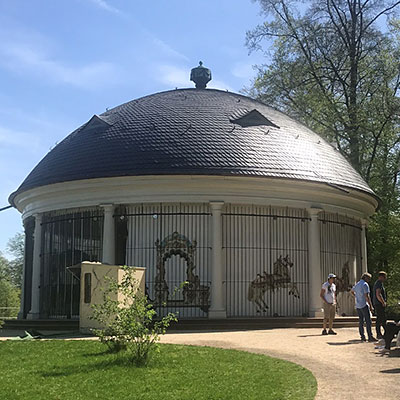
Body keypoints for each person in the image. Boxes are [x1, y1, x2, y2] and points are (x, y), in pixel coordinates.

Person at [351, 273, 377, 342]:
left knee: (361, 321)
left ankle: (362, 336)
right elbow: (367, 296)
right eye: (369, 278)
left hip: (358, 305)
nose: (369, 280)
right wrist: (371, 306)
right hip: (364, 304)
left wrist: (356, 296)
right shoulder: (365, 284)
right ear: (365, 278)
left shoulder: (357, 284)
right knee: (368, 321)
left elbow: (352, 291)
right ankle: (370, 336)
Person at [372, 271, 387, 339]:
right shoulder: (379, 284)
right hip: (379, 304)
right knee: (380, 318)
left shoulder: (378, 283)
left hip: (378, 303)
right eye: (384, 277)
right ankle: (379, 333)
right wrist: (383, 302)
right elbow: (378, 294)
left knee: (382, 318)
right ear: (381, 277)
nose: (385, 279)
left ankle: (386, 332)